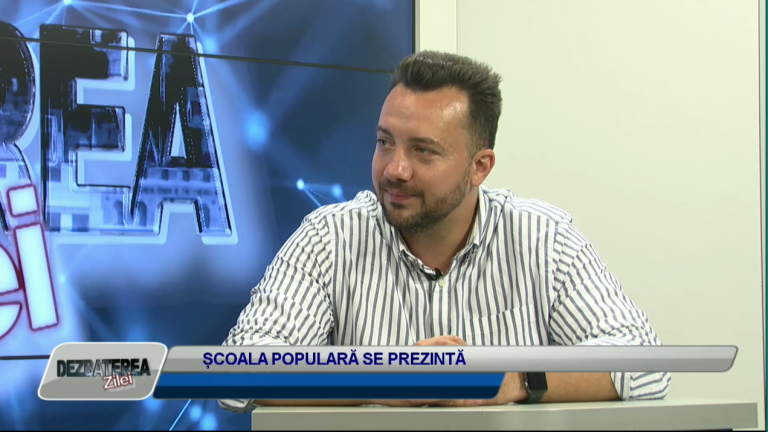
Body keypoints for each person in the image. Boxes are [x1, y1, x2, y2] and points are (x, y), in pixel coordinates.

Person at [219, 51, 670, 412]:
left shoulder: (544, 238)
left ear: (480, 167)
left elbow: (645, 364)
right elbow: (238, 372)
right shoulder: (329, 238)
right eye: (385, 142)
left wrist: (513, 380)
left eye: (423, 151)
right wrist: (384, 379)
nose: (394, 169)